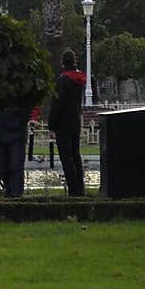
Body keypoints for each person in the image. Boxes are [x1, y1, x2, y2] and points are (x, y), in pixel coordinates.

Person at [48, 49, 87, 196]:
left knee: (66, 158)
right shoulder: (79, 80)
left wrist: (52, 124)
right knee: (76, 156)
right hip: (75, 122)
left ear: (63, 62)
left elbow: (58, 103)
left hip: (63, 124)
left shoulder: (63, 80)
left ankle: (73, 189)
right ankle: (80, 188)